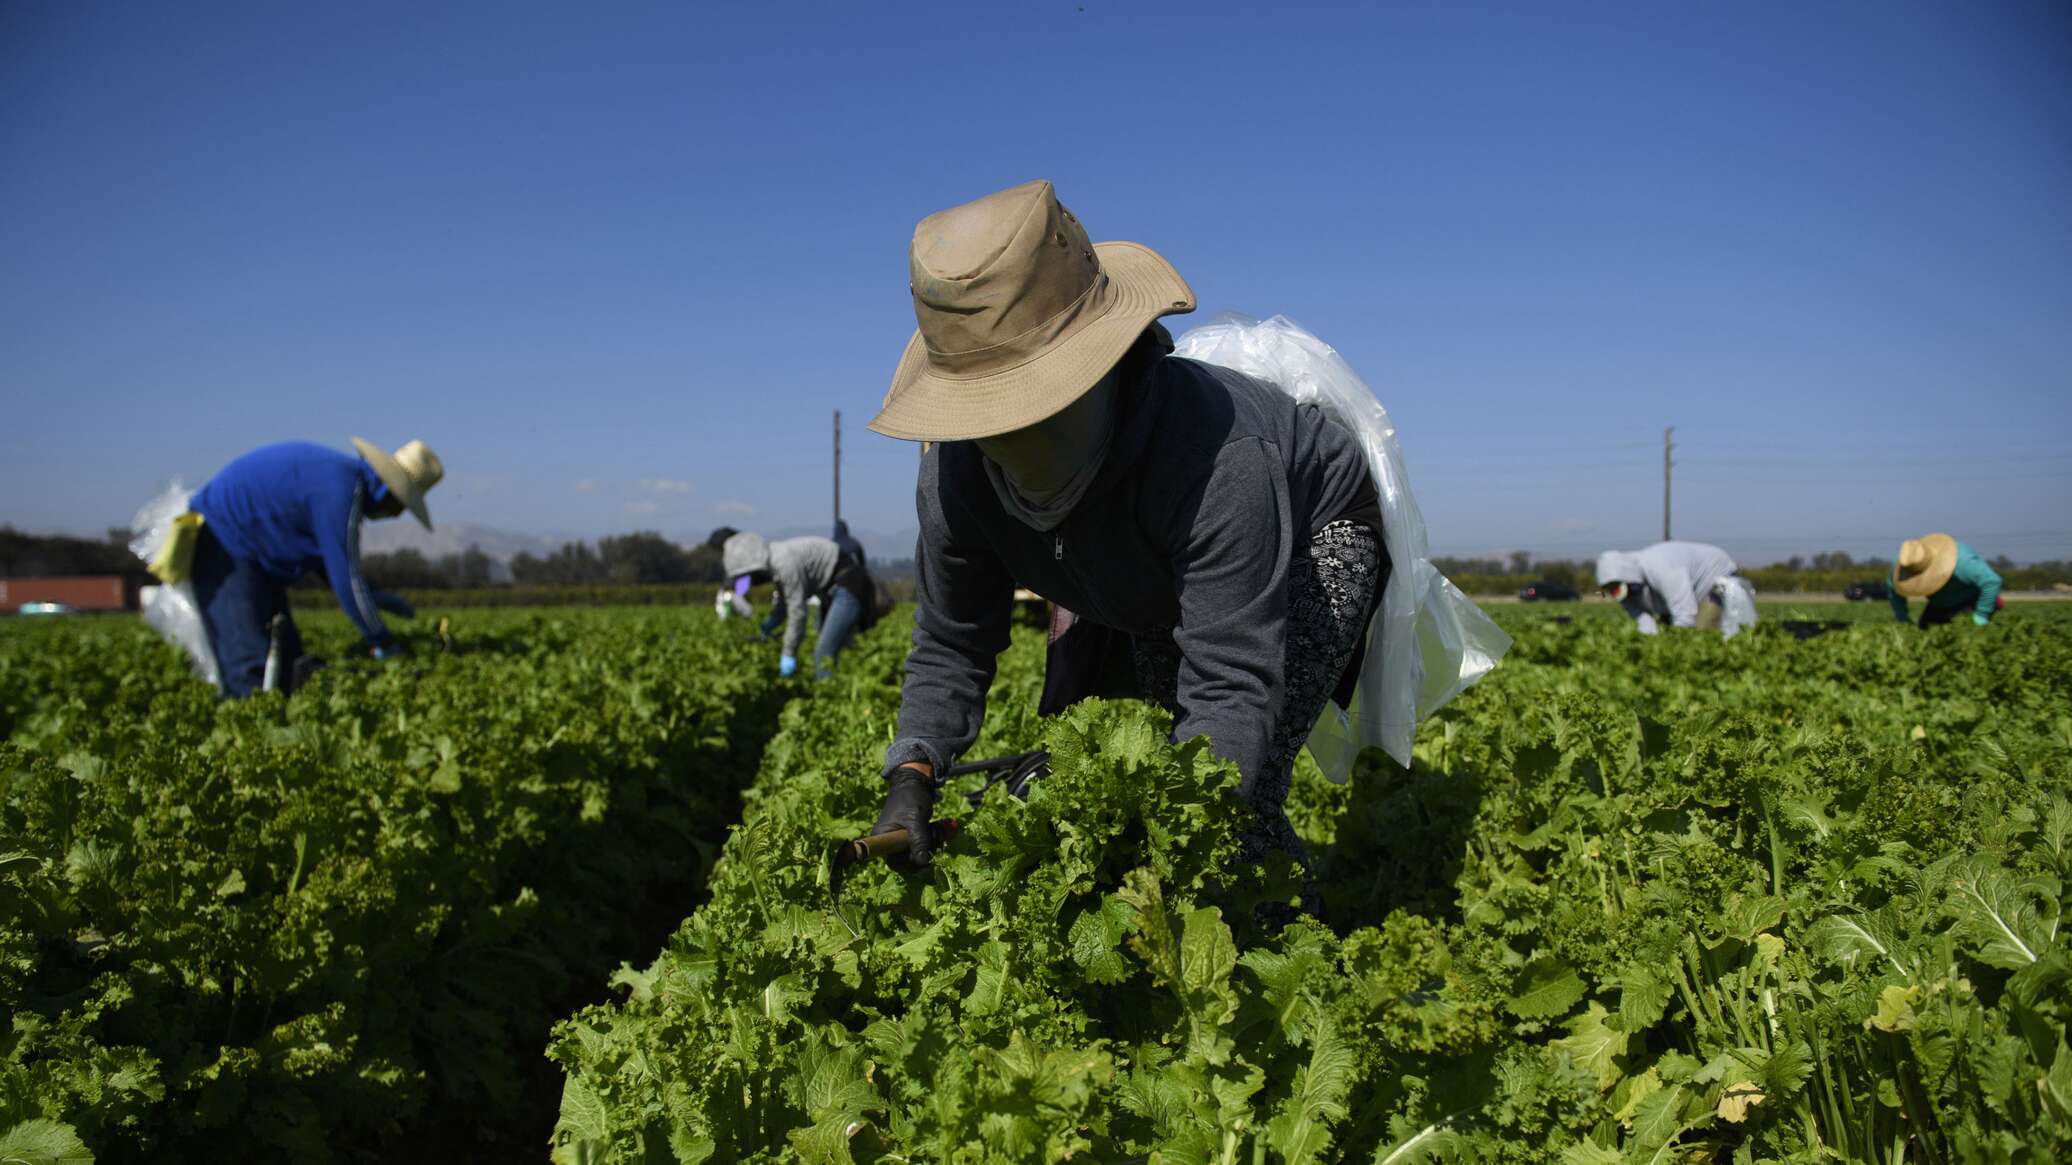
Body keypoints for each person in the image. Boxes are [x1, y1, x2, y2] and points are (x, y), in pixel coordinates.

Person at [864, 179, 1388, 873]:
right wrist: (914, 771)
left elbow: (1232, 681)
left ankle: (1298, 948)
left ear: (1102, 362)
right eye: (989, 423)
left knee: (1227, 803)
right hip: (1137, 564)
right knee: (1120, 779)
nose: (1012, 439)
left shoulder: (1213, 456)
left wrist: (1179, 818)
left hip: (1315, 534)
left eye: (1033, 408)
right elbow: (951, 644)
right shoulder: (954, 478)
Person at [188, 438, 442, 696]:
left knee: (288, 664)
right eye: (399, 506)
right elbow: (346, 579)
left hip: (253, 559)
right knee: (250, 670)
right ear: (387, 492)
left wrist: (374, 595)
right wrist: (383, 641)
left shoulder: (339, 479)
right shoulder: (342, 490)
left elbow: (329, 564)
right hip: (223, 546)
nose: (395, 515)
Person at [709, 526, 871, 678]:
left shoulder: (784, 564)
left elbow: (797, 611)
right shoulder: (774, 559)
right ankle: (843, 683)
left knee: (823, 652)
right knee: (837, 645)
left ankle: (829, 692)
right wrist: (771, 623)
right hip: (832, 589)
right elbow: (783, 603)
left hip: (848, 585)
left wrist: (788, 653)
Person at [1593, 540, 1755, 635]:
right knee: (1667, 630)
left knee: (1704, 632)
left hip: (1717, 578)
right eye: (1610, 590)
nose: (1616, 594)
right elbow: (1643, 620)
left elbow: (1685, 614)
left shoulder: (1662, 568)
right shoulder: (1625, 590)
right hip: (1688, 594)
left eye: (1616, 587)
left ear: (1627, 576)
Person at [1888, 533, 2003, 627]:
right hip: (1940, 603)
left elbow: (1991, 582)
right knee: (1924, 630)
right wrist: (1902, 618)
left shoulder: (1962, 561)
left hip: (1972, 598)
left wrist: (1982, 615)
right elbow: (1894, 591)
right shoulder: (1905, 565)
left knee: (1965, 631)